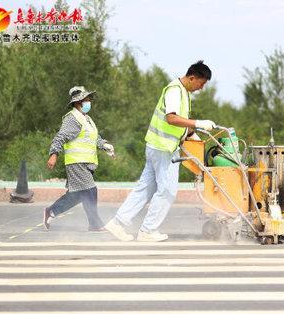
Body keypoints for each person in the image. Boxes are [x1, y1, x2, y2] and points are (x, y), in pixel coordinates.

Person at [105, 60, 216, 242]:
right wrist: (197, 122)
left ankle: (118, 223)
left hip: (157, 146)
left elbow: (179, 122)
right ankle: (148, 230)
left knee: (145, 189)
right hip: (163, 149)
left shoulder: (183, 92)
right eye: (201, 84)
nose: (201, 88)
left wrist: (192, 134)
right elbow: (171, 118)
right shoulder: (174, 90)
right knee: (167, 191)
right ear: (192, 77)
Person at [43, 86, 115, 231]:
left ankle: (51, 211)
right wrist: (54, 154)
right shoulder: (72, 118)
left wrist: (106, 146)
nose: (89, 102)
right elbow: (60, 136)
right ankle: (95, 224)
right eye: (86, 99)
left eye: (89, 99)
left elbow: (94, 138)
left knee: (77, 195)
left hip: (86, 163)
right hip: (76, 163)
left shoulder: (86, 119)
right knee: (90, 190)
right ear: (77, 102)